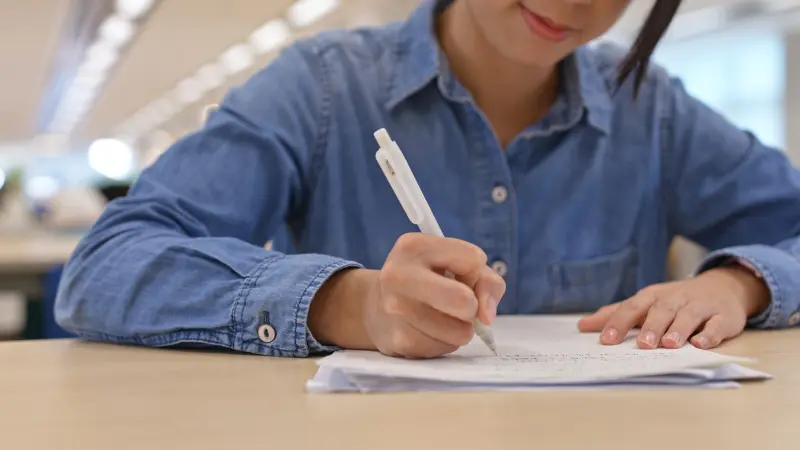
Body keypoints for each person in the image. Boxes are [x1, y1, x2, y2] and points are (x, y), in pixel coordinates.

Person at [55, 0, 800, 359]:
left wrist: (741, 284)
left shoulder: (655, 109)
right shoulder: (322, 89)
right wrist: (347, 304)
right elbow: (105, 268)